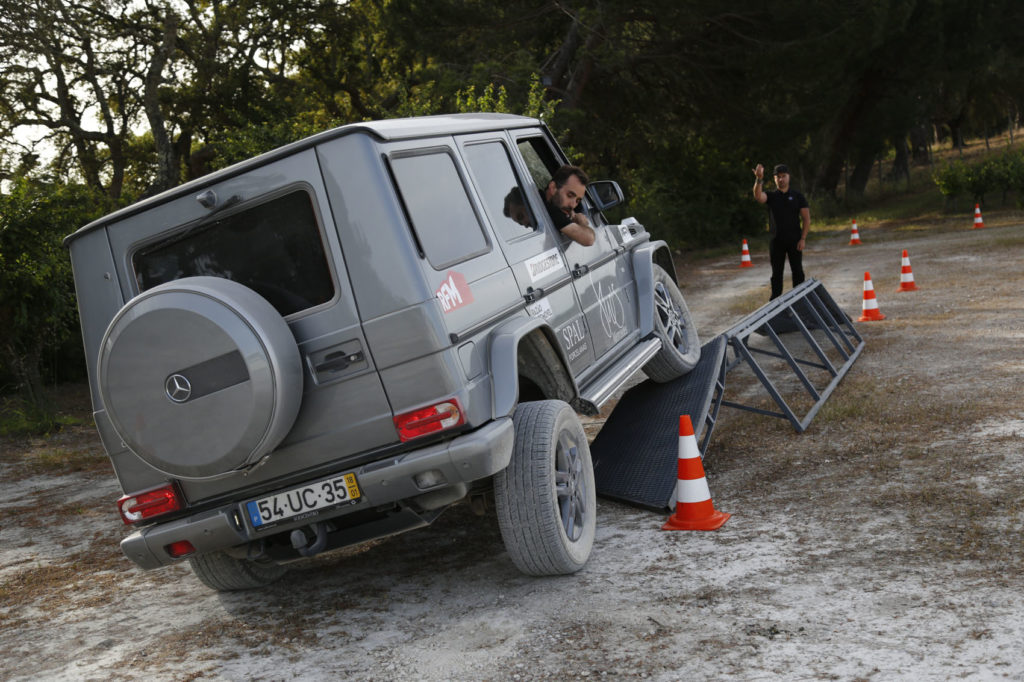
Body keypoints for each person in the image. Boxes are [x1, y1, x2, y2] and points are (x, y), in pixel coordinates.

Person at [752, 163, 810, 299]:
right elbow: (758, 196)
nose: (781, 179)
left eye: (784, 176)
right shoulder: (772, 196)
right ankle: (776, 302)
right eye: (778, 177)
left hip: (795, 240)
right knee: (777, 273)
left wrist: (803, 238)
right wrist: (759, 179)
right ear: (774, 179)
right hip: (777, 240)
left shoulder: (797, 196)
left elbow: (806, 219)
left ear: (788, 177)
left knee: (798, 271)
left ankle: (800, 300)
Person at [543, 165, 596, 246]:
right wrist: (582, 223)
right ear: (553, 188)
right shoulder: (551, 210)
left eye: (577, 201)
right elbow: (589, 239)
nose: (572, 205)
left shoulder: (538, 199)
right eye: (570, 195)